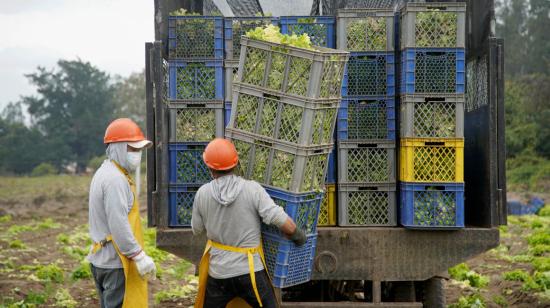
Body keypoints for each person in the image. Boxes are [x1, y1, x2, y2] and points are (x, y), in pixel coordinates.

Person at [192, 138, 307, 308]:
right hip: (250, 272)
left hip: (219, 274)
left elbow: (197, 229)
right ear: (236, 163)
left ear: (209, 167)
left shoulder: (202, 193)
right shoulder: (252, 189)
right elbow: (279, 218)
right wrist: (298, 235)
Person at [87, 118, 157, 308]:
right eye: (132, 149)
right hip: (116, 264)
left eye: (139, 150)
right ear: (117, 147)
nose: (137, 155)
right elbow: (118, 224)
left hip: (103, 260)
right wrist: (139, 256)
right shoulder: (115, 180)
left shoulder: (105, 172)